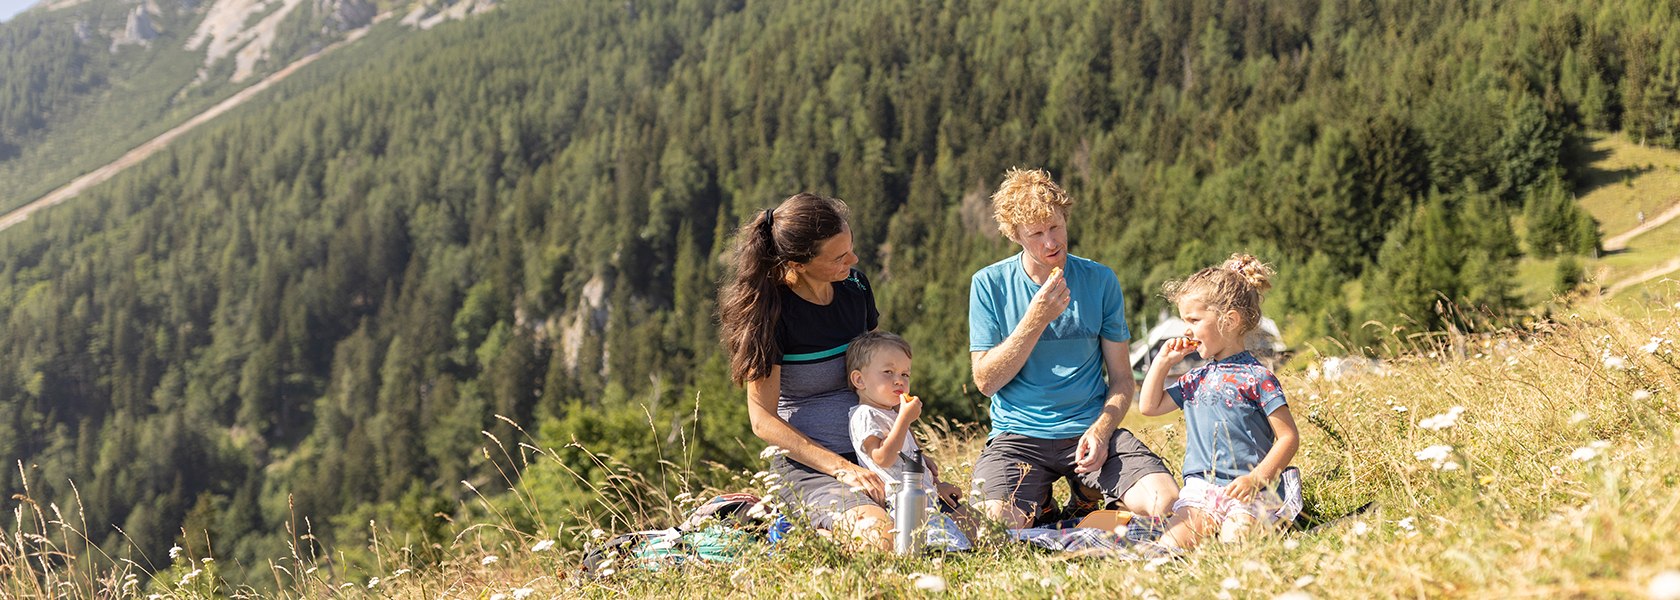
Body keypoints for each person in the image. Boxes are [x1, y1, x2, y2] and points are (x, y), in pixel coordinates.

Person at [968, 168, 1179, 528]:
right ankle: (1045, 504)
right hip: (1018, 437)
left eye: (1056, 227)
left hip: (1089, 429)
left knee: (1166, 502)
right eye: (1036, 234)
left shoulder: (1100, 280)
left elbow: (1123, 380)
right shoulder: (989, 284)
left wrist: (1101, 429)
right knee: (994, 527)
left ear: (1065, 217)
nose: (1051, 243)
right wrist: (1035, 319)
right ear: (1015, 235)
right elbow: (986, 382)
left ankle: (1086, 496)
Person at [718, 193, 892, 550]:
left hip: (873, 449)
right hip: (810, 466)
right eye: (839, 257)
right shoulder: (769, 313)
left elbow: (879, 376)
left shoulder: (855, 288)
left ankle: (816, 536)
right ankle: (804, 533)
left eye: (851, 249)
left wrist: (908, 448)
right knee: (880, 537)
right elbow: (762, 419)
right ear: (799, 263)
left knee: (962, 524)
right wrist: (842, 469)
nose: (854, 260)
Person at [1137, 253, 1300, 550]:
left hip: (1249, 490)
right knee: (1168, 546)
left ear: (1229, 320)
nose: (1186, 330)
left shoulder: (1258, 377)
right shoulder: (1195, 378)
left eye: (1194, 320)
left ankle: (1266, 525)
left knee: (1234, 543)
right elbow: (1149, 406)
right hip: (1200, 490)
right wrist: (1161, 362)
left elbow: (1288, 437)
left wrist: (1257, 479)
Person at [845, 331, 976, 550]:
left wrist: (935, 484)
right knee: (937, 545)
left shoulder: (892, 413)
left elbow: (907, 461)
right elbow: (882, 458)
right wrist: (905, 419)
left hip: (924, 499)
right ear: (859, 379)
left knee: (980, 533)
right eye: (888, 372)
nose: (899, 380)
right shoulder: (865, 415)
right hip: (901, 505)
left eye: (905, 374)